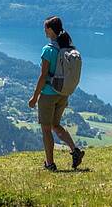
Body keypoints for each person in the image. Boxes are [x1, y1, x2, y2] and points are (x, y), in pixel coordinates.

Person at [28, 16, 86, 171]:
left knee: (46, 129)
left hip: (48, 94)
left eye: (45, 28)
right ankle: (75, 150)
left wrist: (34, 97)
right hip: (63, 93)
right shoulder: (66, 46)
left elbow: (43, 76)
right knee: (55, 125)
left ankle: (50, 163)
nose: (44, 30)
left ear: (50, 30)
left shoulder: (48, 50)